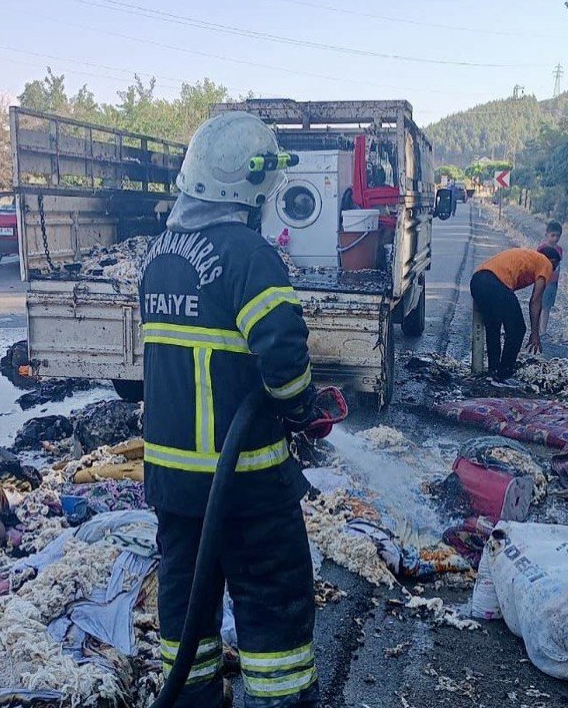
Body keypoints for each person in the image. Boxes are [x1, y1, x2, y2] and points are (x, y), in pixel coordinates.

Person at [141, 112, 339, 707]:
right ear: (246, 186)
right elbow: (282, 350)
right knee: (273, 599)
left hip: (173, 484)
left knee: (186, 604)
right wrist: (302, 408)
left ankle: (194, 701)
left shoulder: (161, 254)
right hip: (245, 481)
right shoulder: (249, 254)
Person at [470, 246, 561, 386]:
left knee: (493, 326)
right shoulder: (545, 262)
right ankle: (504, 374)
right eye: (554, 267)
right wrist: (535, 333)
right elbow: (535, 301)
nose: (552, 271)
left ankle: (493, 372)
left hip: (477, 280)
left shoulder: (528, 256)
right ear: (552, 260)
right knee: (518, 329)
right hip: (494, 282)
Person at [536, 221, 565, 337]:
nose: (555, 238)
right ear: (547, 235)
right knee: (538, 303)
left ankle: (543, 330)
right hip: (543, 280)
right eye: (553, 235)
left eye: (558, 236)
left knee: (547, 306)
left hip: (553, 282)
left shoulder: (559, 249)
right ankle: (537, 328)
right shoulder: (542, 248)